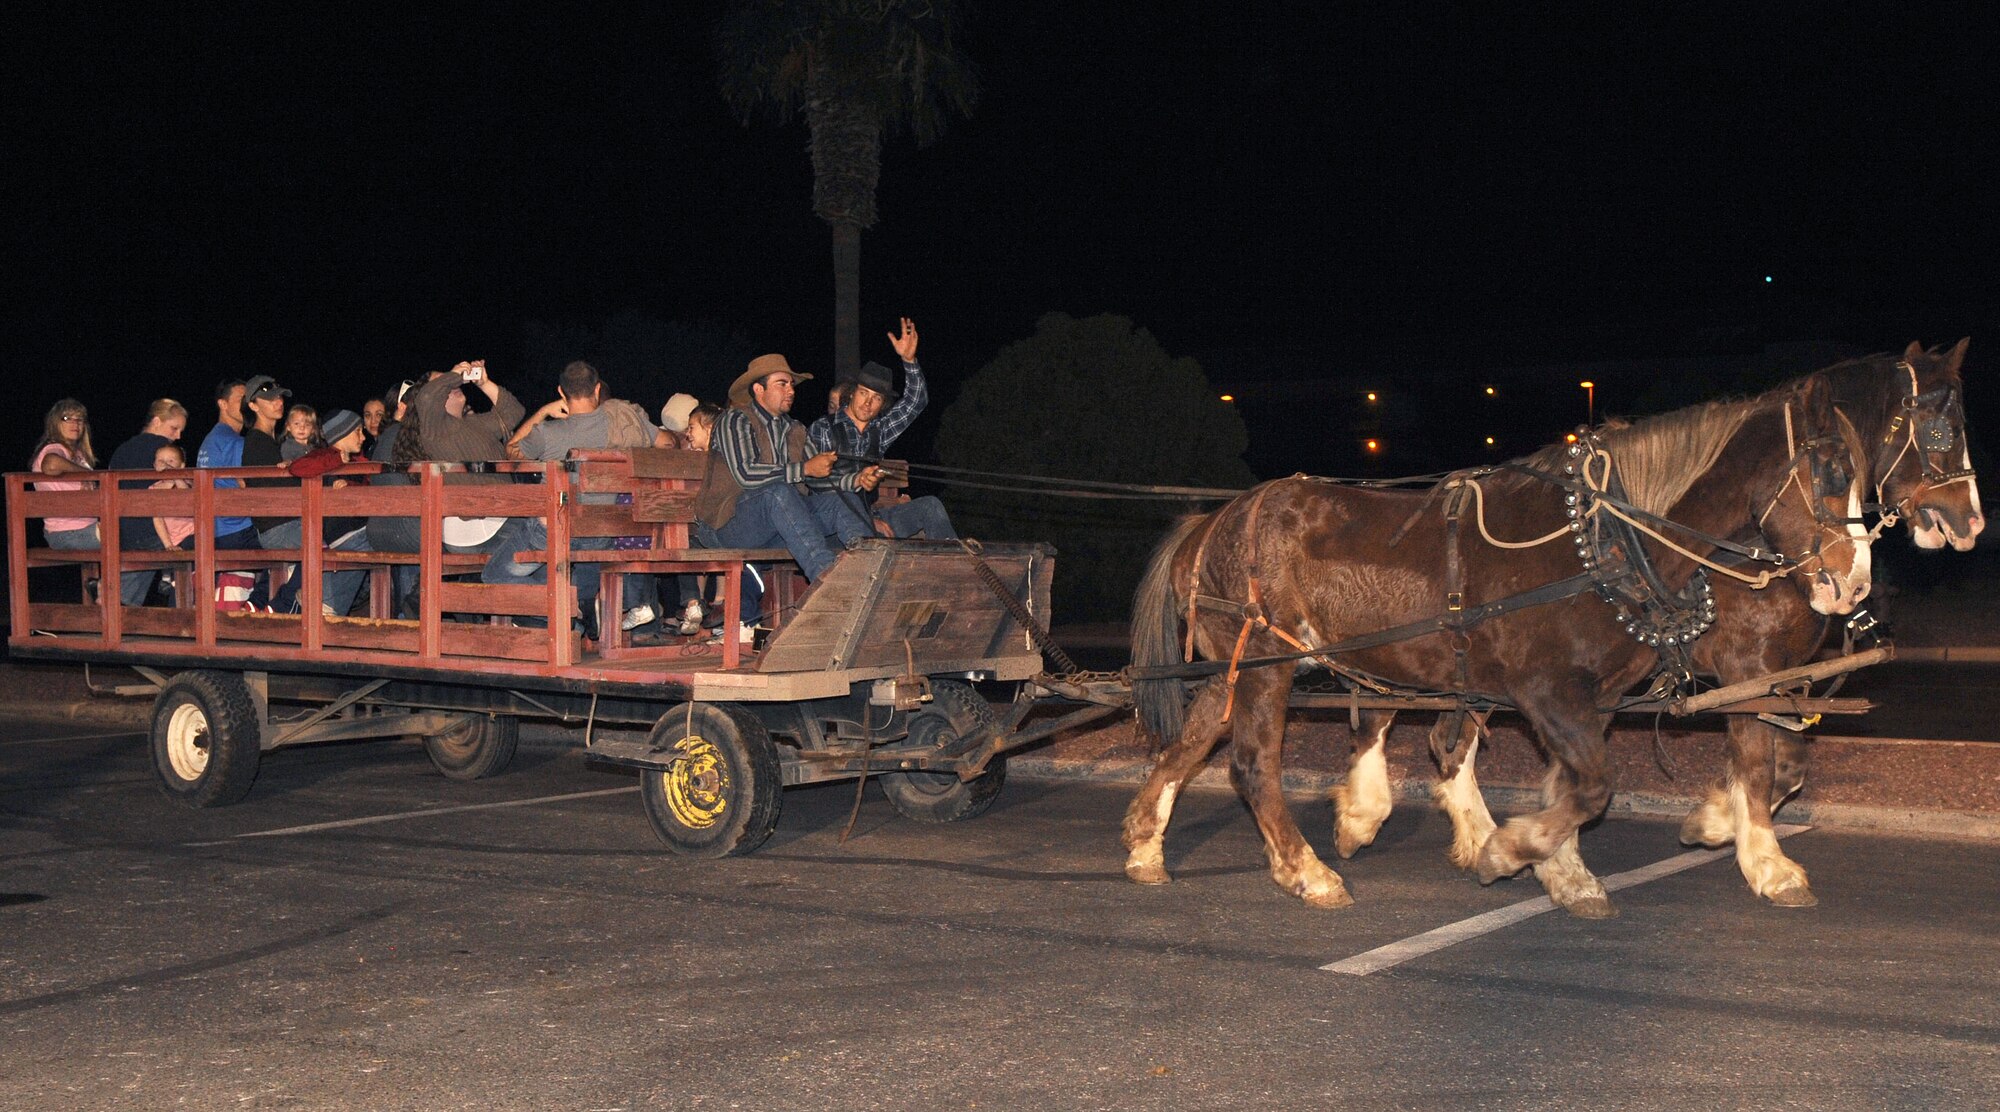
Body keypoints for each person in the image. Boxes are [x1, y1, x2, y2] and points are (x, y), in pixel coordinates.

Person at [692, 354, 882, 631]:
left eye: (792, 385)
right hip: (727, 525)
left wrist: (855, 480)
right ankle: (829, 585)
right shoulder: (735, 420)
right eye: (782, 384)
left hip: (776, 525)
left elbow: (818, 478)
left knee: (842, 503)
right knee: (777, 493)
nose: (791, 390)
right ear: (759, 389)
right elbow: (747, 474)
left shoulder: (795, 429)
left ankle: (868, 577)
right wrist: (804, 468)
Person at [485, 360, 666, 635]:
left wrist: (544, 411)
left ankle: (565, 612)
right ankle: (576, 608)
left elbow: (510, 451)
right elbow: (666, 443)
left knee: (493, 574)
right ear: (596, 389)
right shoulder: (624, 423)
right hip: (603, 531)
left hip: (555, 532)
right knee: (568, 560)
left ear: (561, 392)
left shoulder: (547, 434)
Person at [808, 317, 957, 544]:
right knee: (863, 527)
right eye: (864, 393)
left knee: (931, 506)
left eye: (876, 397)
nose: (868, 402)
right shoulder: (824, 427)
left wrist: (909, 361)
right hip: (833, 528)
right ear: (852, 394)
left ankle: (954, 570)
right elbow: (818, 483)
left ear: (882, 404)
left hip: (872, 519)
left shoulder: (880, 430)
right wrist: (867, 516)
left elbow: (916, 402)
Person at [282, 408, 373, 616]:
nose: (363, 436)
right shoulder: (327, 456)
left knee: (367, 552)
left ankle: (320, 596)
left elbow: (369, 490)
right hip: (345, 531)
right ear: (342, 433)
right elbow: (298, 468)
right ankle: (324, 601)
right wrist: (337, 462)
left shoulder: (358, 462)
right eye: (358, 431)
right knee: (370, 549)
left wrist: (351, 485)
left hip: (356, 529)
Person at [106, 398, 189, 606]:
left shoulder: (122, 449)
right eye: (174, 428)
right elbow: (182, 497)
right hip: (154, 532)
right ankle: (182, 614)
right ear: (157, 421)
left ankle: (106, 595)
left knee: (126, 590)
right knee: (202, 538)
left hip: (122, 532)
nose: (177, 436)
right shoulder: (164, 452)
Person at [30, 399, 99, 552]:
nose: (75, 424)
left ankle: (106, 578)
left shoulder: (78, 454)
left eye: (79, 419)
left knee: (139, 536)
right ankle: (109, 578)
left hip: (88, 526)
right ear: (55, 422)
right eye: (67, 418)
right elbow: (51, 464)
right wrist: (87, 475)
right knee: (133, 537)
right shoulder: (55, 448)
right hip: (67, 532)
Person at [149, 443, 196, 553]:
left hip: (193, 534)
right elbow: (158, 520)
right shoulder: (154, 489)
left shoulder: (187, 482)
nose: (165, 465)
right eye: (161, 461)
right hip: (173, 539)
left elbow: (186, 495)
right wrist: (168, 545)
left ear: (182, 465)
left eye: (171, 461)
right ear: (154, 465)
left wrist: (175, 475)